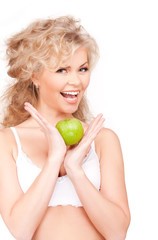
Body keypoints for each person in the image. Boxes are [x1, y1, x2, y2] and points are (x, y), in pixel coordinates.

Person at [0, 16, 130, 240]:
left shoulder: (102, 139)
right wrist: (54, 160)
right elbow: (20, 231)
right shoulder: (8, 141)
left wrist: (74, 169)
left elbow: (117, 232)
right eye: (62, 70)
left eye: (82, 69)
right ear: (34, 75)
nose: (77, 82)